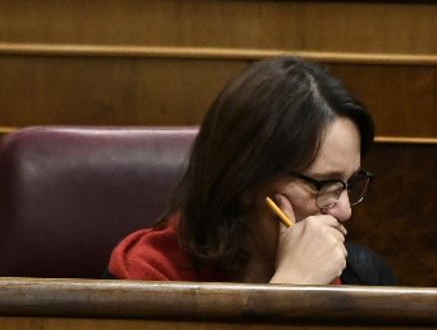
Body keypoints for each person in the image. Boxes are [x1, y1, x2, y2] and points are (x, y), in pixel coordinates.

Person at [107, 56, 395, 286]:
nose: (345, 210)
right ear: (246, 180)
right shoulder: (144, 280)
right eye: (322, 184)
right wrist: (292, 289)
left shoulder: (365, 277)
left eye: (349, 183)